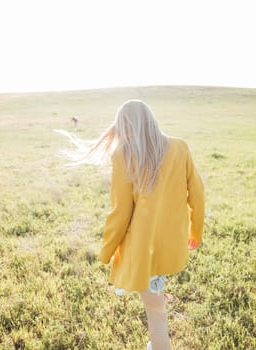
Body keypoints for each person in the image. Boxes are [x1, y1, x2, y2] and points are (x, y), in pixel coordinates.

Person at [60, 100, 204, 350]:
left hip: (143, 249)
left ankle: (159, 346)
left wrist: (107, 250)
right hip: (169, 245)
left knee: (155, 309)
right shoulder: (180, 147)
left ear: (125, 127)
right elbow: (197, 193)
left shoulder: (123, 154)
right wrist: (196, 231)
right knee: (155, 302)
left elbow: (121, 212)